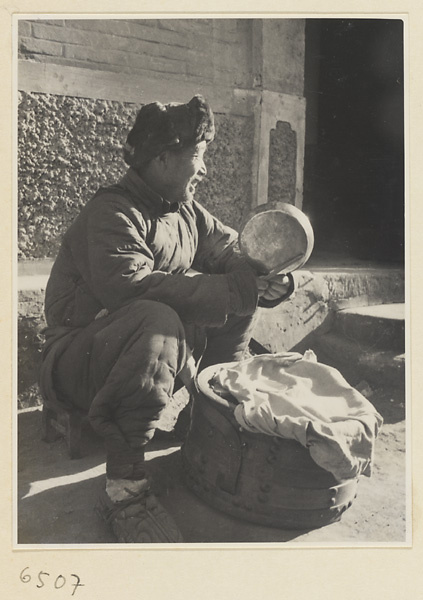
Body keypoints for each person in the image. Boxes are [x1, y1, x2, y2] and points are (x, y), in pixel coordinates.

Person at [39, 95, 294, 543]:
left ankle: (208, 422)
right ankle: (124, 491)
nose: (204, 169)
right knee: (157, 315)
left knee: (230, 299)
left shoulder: (183, 210)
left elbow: (232, 252)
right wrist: (236, 288)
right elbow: (130, 288)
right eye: (198, 157)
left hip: (134, 357)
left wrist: (269, 277)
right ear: (162, 158)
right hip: (76, 364)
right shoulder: (112, 212)